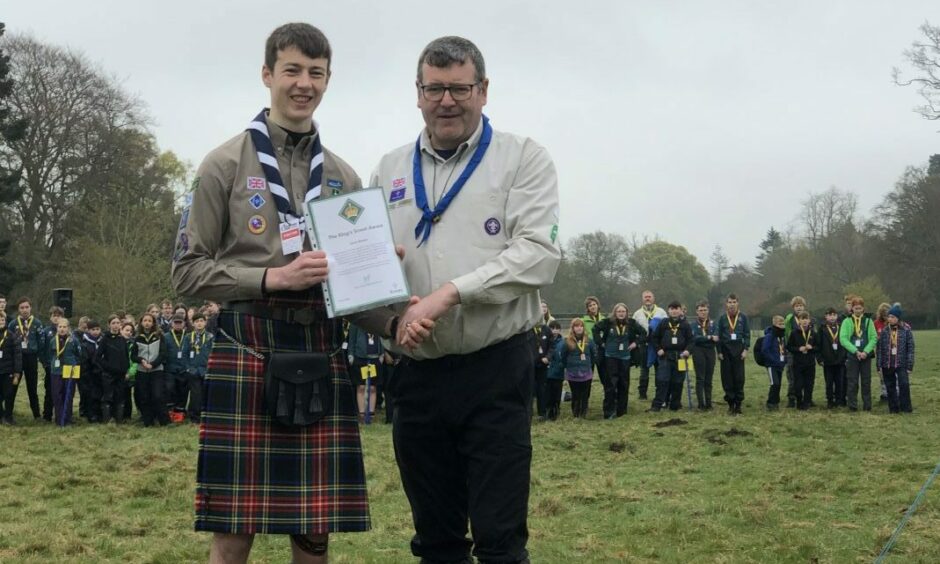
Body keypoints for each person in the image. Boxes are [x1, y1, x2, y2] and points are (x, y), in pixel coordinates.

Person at [171, 23, 391, 562]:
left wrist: (390, 295)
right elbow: (186, 271)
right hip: (247, 345)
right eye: (292, 70)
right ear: (267, 75)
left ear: (328, 80)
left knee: (315, 531)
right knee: (234, 528)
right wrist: (272, 277)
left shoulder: (342, 176)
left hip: (322, 346)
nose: (303, 83)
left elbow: (354, 288)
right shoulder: (223, 165)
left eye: (315, 73)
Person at [369, 35, 560, 563]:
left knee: (500, 541)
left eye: (459, 87)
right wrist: (392, 316)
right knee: (436, 541)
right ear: (417, 92)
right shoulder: (387, 170)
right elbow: (368, 269)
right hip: (417, 375)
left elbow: (539, 255)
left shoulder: (522, 158)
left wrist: (449, 295)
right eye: (435, 88)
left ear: (483, 90)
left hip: (495, 369)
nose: (446, 100)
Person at [593, 303, 642, 418]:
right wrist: (601, 343)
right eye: (619, 311)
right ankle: (609, 412)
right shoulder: (607, 322)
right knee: (611, 385)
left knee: (624, 384)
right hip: (610, 357)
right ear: (615, 312)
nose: (621, 313)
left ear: (626, 313)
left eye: (623, 311)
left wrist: (636, 343)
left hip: (625, 358)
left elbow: (644, 333)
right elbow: (595, 329)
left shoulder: (632, 323)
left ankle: (622, 411)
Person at [650, 301, 693, 412]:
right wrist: (658, 349)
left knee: (678, 382)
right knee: (662, 380)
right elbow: (654, 338)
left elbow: (691, 341)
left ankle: (675, 405)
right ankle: (657, 405)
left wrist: (688, 350)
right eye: (672, 309)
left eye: (676, 308)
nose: (674, 311)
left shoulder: (685, 325)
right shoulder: (663, 323)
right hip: (665, 356)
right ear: (668, 311)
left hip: (680, 356)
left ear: (680, 310)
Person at [8, 297, 44, 420]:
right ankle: (9, 414)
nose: (24, 310)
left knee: (32, 387)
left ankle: (37, 415)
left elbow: (41, 342)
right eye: (22, 308)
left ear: (30, 308)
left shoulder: (37, 323)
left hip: (31, 358)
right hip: (17, 358)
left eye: (26, 307)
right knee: (13, 386)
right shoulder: (13, 324)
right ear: (18, 309)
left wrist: (40, 357)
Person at [840, 296, 877, 411]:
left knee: (866, 381)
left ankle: (867, 405)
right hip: (852, 356)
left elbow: (873, 337)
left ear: (863, 309)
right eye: (855, 308)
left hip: (866, 356)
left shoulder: (868, 321)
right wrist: (855, 351)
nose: (858, 310)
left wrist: (866, 351)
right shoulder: (847, 321)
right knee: (852, 381)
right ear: (852, 309)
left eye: (860, 308)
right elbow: (843, 338)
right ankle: (852, 405)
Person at [877, 304, 914, 414]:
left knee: (904, 384)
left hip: (901, 363)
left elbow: (910, 348)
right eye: (889, 317)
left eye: (893, 317)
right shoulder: (884, 331)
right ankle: (893, 408)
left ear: (898, 318)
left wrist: (910, 364)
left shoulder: (906, 330)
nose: (890, 319)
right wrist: (878, 365)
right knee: (890, 386)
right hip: (887, 363)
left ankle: (906, 408)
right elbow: (879, 349)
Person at [46, 317, 83, 426]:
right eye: (60, 327)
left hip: (70, 369)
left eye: (64, 327)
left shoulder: (73, 340)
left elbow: (79, 354)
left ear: (68, 328)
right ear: (57, 328)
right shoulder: (53, 340)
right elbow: (50, 354)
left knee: (68, 394)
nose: (62, 329)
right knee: (57, 394)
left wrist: (74, 363)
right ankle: (58, 419)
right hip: (56, 371)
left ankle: (67, 419)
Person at [134, 313, 170, 427]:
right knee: (144, 397)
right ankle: (147, 421)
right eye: (145, 320)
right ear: (141, 322)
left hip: (156, 370)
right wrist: (141, 360)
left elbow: (163, 354)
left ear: (153, 323)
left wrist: (153, 364)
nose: (147, 323)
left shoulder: (159, 336)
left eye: (149, 320)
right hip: (142, 371)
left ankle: (164, 421)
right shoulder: (137, 337)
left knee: (158, 395)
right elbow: (133, 356)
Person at [716, 294, 749, 415]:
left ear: (738, 303)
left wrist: (745, 349)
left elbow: (747, 334)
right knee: (727, 378)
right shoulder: (722, 318)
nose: (732, 304)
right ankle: (730, 403)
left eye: (734, 302)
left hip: (739, 349)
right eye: (729, 302)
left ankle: (738, 403)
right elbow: (718, 335)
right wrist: (719, 351)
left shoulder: (743, 317)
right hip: (725, 349)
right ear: (726, 304)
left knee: (739, 377)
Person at [95, 315, 132, 424]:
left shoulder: (122, 339)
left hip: (121, 374)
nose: (116, 325)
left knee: (120, 397)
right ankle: (107, 419)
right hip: (109, 374)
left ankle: (119, 419)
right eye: (113, 323)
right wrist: (106, 367)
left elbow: (126, 356)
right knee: (108, 397)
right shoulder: (105, 339)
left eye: (117, 323)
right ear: (109, 325)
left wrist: (126, 369)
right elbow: (97, 357)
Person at [346, 322, 384, 423]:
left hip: (374, 359)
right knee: (361, 386)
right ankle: (362, 414)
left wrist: (382, 354)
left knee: (372, 387)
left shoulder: (377, 322)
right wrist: (351, 354)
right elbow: (351, 340)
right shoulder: (356, 323)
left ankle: (371, 413)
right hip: (360, 358)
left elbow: (382, 338)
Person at [632, 290, 666, 400]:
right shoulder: (637, 314)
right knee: (644, 370)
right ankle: (642, 394)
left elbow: (666, 328)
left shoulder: (661, 312)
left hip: (657, 346)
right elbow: (633, 330)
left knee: (659, 370)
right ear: (642, 299)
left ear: (653, 298)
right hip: (644, 346)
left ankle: (658, 393)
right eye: (645, 297)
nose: (647, 298)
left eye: (649, 296)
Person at [559, 318, 595, 419]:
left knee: (585, 394)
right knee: (575, 394)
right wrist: (568, 366)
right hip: (573, 372)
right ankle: (575, 413)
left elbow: (593, 355)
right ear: (573, 328)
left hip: (586, 372)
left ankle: (583, 413)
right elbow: (563, 356)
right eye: (576, 326)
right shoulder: (567, 342)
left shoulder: (589, 341)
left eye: (581, 326)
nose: (579, 328)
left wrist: (588, 365)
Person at [181, 313, 213, 424]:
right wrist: (188, 368)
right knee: (195, 394)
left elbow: (213, 354)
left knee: (206, 393)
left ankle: (205, 415)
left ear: (205, 322)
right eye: (196, 321)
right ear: (193, 323)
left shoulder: (210, 337)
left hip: (206, 370)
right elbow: (184, 354)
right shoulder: (188, 337)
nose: (199, 323)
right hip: (193, 370)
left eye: (201, 321)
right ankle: (194, 416)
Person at [689, 300, 718, 410]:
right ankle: (701, 403)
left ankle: (709, 402)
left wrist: (709, 338)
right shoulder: (693, 324)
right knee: (700, 378)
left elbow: (716, 336)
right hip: (698, 351)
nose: (703, 312)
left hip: (710, 351)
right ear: (697, 311)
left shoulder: (713, 323)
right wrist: (708, 338)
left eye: (705, 310)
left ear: (708, 310)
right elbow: (694, 338)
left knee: (708, 378)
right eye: (701, 310)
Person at [817, 307, 847, 408]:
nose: (832, 317)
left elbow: (845, 342)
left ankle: (839, 400)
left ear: (837, 316)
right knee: (829, 382)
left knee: (840, 381)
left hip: (840, 360)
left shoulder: (842, 327)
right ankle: (830, 400)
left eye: (834, 315)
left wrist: (845, 356)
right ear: (826, 316)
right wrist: (820, 358)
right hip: (827, 360)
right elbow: (818, 345)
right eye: (830, 315)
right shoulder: (822, 329)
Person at [786, 312, 816, 410]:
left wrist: (812, 347)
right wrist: (798, 349)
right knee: (798, 384)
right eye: (802, 319)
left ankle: (807, 402)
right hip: (798, 363)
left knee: (809, 384)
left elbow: (819, 347)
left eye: (806, 318)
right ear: (799, 321)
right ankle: (799, 402)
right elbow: (789, 347)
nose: (804, 321)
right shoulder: (794, 333)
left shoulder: (813, 333)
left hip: (810, 363)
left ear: (809, 320)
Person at [783, 297, 808, 408]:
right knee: (792, 375)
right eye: (797, 306)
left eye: (801, 305)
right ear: (793, 307)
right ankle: (791, 398)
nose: (799, 308)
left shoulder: (807, 318)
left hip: (805, 351)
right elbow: (786, 334)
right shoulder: (789, 319)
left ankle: (806, 398)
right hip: (793, 352)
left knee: (806, 375)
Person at [163, 314, 189, 423]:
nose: (178, 325)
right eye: (176, 323)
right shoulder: (166, 337)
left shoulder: (188, 336)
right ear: (171, 324)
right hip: (170, 369)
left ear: (184, 324)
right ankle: (170, 411)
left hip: (183, 368)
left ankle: (180, 412)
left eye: (180, 322)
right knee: (170, 389)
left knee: (182, 391)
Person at [0, 311, 23, 425]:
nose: (1, 322)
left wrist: (17, 371)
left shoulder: (11, 336)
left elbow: (17, 355)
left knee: (9, 394)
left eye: (3, 320)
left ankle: (8, 416)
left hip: (8, 371)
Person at [761, 315, 788, 410]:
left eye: (783, 323)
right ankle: (770, 402)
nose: (782, 325)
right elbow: (765, 350)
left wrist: (785, 359)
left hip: (780, 364)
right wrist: (773, 360)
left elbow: (784, 349)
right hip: (771, 365)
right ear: (774, 324)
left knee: (779, 384)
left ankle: (776, 402)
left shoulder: (782, 337)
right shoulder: (769, 336)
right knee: (774, 383)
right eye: (779, 324)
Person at [78, 319, 103, 422]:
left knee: (99, 394)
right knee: (90, 395)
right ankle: (90, 414)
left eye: (97, 329)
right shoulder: (84, 344)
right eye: (93, 329)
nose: (96, 332)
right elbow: (84, 360)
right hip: (89, 373)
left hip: (101, 372)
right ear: (88, 330)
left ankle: (99, 414)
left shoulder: (102, 341)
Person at [543, 320, 564, 421]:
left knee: (557, 393)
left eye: (557, 329)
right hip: (547, 372)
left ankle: (556, 411)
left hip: (558, 372)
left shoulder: (563, 342)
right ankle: (547, 411)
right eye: (552, 328)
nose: (554, 331)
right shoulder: (545, 341)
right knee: (547, 393)